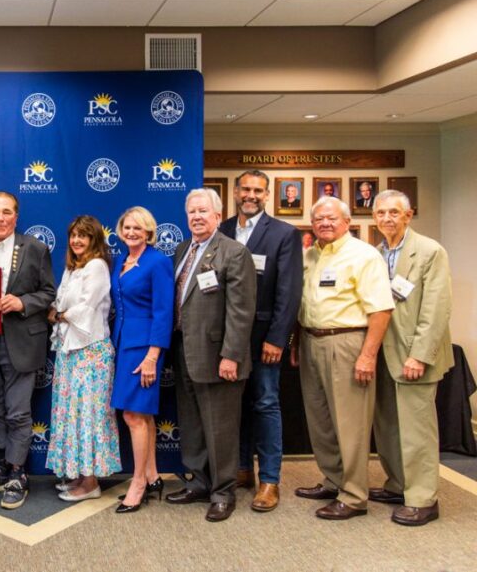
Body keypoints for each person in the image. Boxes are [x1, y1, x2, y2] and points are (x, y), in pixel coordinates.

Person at [293, 196, 394, 520]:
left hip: (348, 343)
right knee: (321, 421)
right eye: (318, 218)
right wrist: (296, 342)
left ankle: (353, 496)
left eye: (331, 218)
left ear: (347, 222)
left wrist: (367, 356)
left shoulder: (363, 255)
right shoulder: (309, 255)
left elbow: (380, 309)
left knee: (350, 423)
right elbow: (304, 303)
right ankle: (333, 479)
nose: (324, 223)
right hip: (311, 341)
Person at [166, 188, 255, 522]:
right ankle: (199, 482)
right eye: (191, 212)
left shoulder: (233, 252)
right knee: (192, 425)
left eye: (203, 211)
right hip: (185, 353)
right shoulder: (180, 251)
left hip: (220, 358)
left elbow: (241, 312)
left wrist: (231, 355)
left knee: (220, 429)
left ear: (218, 216)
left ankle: (223, 492)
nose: (196, 217)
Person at [0, 191, 56, 510]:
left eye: (7, 212)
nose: (0, 218)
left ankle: (19, 473)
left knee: (18, 411)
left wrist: (22, 302)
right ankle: (1, 466)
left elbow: (48, 293)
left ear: (16, 217)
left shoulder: (35, 247)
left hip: (21, 341)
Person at [220, 171, 302, 512]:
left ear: (267, 195)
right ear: (236, 192)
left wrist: (277, 338)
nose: (250, 195)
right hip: (228, 337)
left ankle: (269, 480)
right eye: (245, 189)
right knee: (234, 404)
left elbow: (289, 289)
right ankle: (241, 469)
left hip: (264, 337)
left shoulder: (284, 234)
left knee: (266, 404)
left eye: (258, 190)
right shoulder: (222, 229)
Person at [370, 190, 453, 526]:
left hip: (414, 357)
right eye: (381, 213)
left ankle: (422, 498)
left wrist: (419, 355)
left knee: (417, 430)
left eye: (394, 212)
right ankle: (398, 484)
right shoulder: (376, 253)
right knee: (388, 426)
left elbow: (436, 308)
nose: (387, 218)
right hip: (384, 355)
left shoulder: (430, 251)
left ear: (409, 215)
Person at [45, 216, 121, 501]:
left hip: (91, 352)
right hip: (70, 350)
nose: (77, 241)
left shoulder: (97, 266)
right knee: (72, 415)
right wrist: (58, 311)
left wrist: (60, 315)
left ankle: (91, 484)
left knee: (88, 416)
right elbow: (59, 301)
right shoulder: (72, 268)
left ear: (94, 240)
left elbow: (84, 307)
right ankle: (79, 475)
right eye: (74, 235)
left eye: (83, 236)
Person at [109, 206, 174, 514]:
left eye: (138, 228)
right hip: (122, 343)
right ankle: (152, 475)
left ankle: (137, 484)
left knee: (134, 416)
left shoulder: (158, 261)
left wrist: (152, 356)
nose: (132, 232)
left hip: (145, 348)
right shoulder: (121, 260)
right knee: (142, 415)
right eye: (127, 227)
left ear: (149, 231)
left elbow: (164, 311)